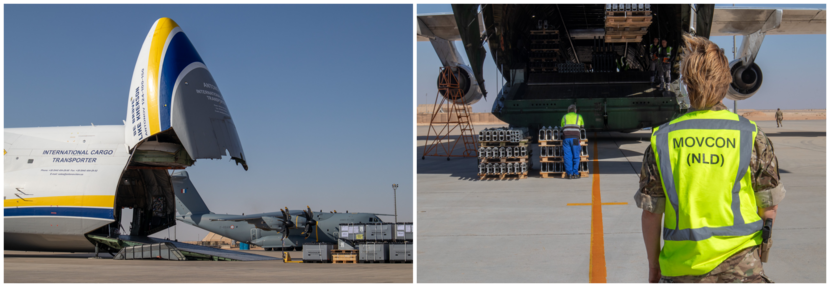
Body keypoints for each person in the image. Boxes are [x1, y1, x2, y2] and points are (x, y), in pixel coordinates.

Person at [635, 35, 785, 285]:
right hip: (742, 269)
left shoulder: (662, 139)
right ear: (727, 82)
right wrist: (758, 256)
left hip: (681, 270)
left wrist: (654, 266)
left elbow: (651, 215)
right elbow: (770, 208)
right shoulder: (751, 135)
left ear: (686, 83)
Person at [560, 104, 584, 179]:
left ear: (568, 111)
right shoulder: (579, 116)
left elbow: (561, 128)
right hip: (575, 139)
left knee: (567, 156)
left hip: (566, 139)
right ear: (575, 110)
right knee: (576, 155)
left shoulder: (564, 117)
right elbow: (582, 127)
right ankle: (576, 174)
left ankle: (569, 174)